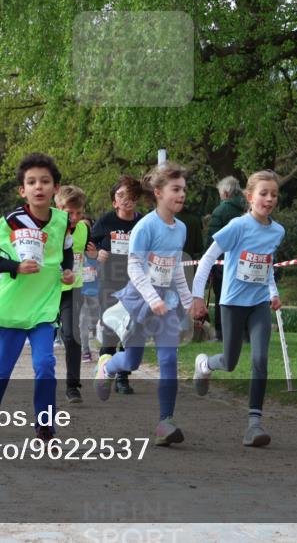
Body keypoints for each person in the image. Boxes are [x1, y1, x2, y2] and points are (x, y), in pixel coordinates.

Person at [94, 162, 197, 447]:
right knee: (133, 360)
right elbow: (134, 268)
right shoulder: (145, 227)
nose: (182, 194)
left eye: (184, 189)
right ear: (158, 192)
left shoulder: (181, 228)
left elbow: (175, 267)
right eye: (175, 189)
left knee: (168, 359)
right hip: (141, 300)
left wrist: (187, 301)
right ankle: (108, 368)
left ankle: (165, 421)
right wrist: (152, 299)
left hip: (167, 302)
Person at [0, 153, 75, 444]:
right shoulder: (10, 222)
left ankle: (45, 426)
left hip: (43, 308)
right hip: (15, 309)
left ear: (56, 188)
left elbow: (66, 250)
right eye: (31, 182)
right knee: (1, 370)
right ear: (23, 190)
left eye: (45, 181)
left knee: (45, 365)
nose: (38, 187)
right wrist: (16, 267)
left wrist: (67, 270)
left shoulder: (62, 221)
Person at [191, 171, 285, 447]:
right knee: (230, 362)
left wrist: (273, 292)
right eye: (263, 193)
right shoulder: (237, 226)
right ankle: (205, 364)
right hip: (231, 302)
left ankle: (254, 425)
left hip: (258, 304)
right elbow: (208, 258)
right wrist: (198, 297)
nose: (269, 199)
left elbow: (266, 265)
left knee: (260, 359)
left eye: (274, 194)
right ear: (249, 197)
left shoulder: (278, 231)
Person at [90, 175, 144, 394]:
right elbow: (88, 246)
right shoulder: (106, 221)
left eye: (130, 196)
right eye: (121, 196)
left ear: (136, 199)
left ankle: (123, 376)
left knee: (130, 329)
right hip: (109, 281)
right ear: (114, 201)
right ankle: (105, 371)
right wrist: (96, 254)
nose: (126, 200)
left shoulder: (143, 223)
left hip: (134, 283)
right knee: (111, 327)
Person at [54, 185, 95, 403]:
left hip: (72, 289)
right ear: (58, 207)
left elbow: (94, 249)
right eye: (70, 212)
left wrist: (98, 253)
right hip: (46, 291)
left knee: (72, 335)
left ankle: (73, 386)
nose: (75, 217)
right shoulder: (48, 227)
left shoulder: (83, 229)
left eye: (79, 213)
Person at [205, 176, 246, 340]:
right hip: (243, 261)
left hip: (222, 262)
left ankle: (222, 333)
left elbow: (212, 240)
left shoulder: (220, 211)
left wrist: (208, 264)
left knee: (222, 296)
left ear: (226, 193)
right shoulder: (246, 209)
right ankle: (243, 332)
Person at [79, 218, 101, 363]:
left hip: (97, 292)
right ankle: (85, 351)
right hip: (80, 292)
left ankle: (103, 350)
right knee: (82, 322)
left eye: (86, 228)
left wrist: (96, 258)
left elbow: (105, 267)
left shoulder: (96, 249)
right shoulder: (72, 248)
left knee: (98, 323)